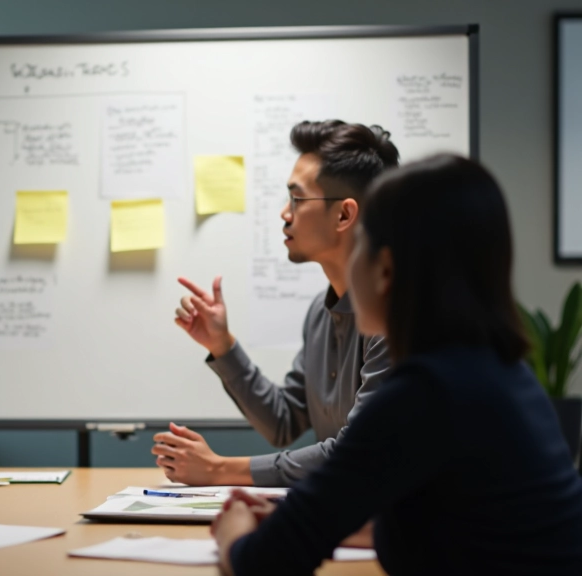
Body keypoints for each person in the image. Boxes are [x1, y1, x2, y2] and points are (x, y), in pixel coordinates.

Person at [212, 154, 582, 575]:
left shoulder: (423, 395)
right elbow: (451, 529)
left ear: (384, 269)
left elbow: (262, 564)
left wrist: (234, 531)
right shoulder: (504, 376)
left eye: (360, 246)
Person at [154, 120, 398, 487]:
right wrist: (222, 347)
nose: (285, 214)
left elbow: (359, 452)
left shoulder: (396, 314)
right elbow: (284, 422)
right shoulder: (321, 312)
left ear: (345, 215)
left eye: (297, 199)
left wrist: (220, 469)